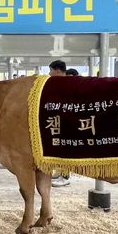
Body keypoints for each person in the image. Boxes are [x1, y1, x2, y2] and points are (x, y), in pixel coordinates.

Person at [48, 60, 71, 188]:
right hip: (59, 121)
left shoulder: (66, 83)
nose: (49, 73)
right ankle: (60, 172)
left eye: (51, 70)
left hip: (67, 121)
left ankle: (65, 177)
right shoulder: (58, 83)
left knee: (65, 149)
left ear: (57, 70)